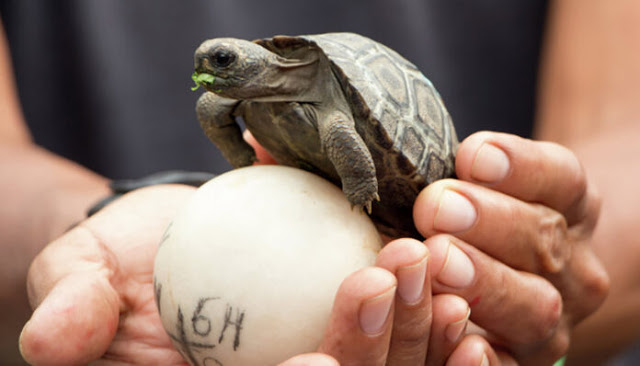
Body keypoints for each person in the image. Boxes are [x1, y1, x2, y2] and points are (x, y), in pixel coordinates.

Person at [1, 0, 637, 364]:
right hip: (223, 220)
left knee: (345, 144)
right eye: (206, 64)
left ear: (252, 61)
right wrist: (89, 221)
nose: (209, 72)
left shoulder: (323, 91)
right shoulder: (225, 97)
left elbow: (624, 137)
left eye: (222, 62)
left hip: (407, 188)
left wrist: (522, 271)